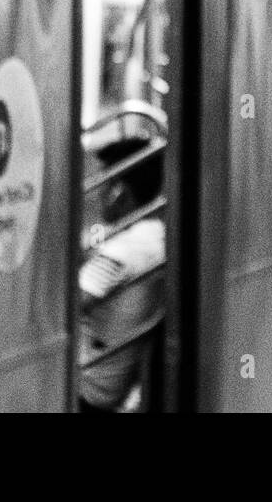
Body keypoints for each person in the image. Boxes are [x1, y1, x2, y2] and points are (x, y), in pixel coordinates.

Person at [78, 136, 166, 413]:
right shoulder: (153, 235)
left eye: (104, 184)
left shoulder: (123, 252)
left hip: (87, 389)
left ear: (118, 192)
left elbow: (58, 309)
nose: (98, 194)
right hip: (109, 383)